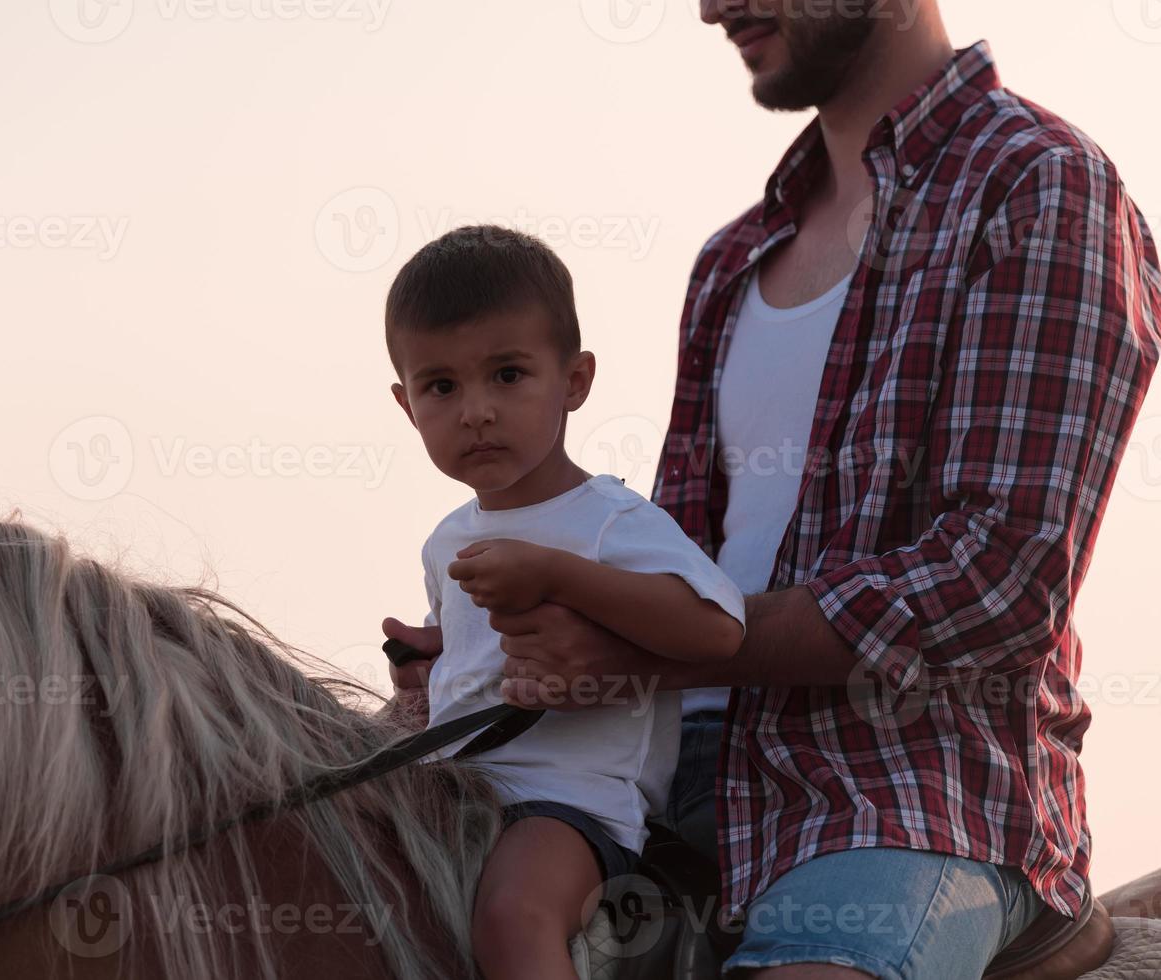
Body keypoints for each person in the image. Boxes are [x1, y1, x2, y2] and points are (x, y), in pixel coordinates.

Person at [385, 2, 1161, 976]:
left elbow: (997, 576)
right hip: (651, 781)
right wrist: (479, 649)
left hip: (902, 793)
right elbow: (675, 548)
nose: (711, 6)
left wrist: (652, 649)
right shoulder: (731, 259)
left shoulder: (1038, 186)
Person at [383, 224, 747, 980]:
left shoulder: (611, 522)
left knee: (513, 919)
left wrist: (558, 576)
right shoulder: (447, 540)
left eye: (508, 375)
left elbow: (718, 631)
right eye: (442, 386)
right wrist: (425, 672)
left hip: (569, 802)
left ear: (574, 382)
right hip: (458, 785)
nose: (476, 410)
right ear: (406, 405)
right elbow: (477, 663)